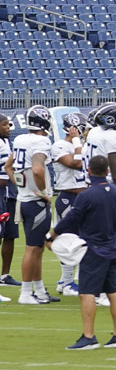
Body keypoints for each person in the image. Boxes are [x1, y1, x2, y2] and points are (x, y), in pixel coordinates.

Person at [49, 155, 116, 350]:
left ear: (88, 171)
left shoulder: (86, 195)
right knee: (113, 292)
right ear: (107, 171)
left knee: (87, 293)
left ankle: (89, 336)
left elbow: (72, 218)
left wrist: (53, 235)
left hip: (93, 249)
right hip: (112, 247)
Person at [9, 106, 56, 304]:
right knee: (32, 248)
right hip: (35, 202)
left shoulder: (20, 139)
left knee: (37, 248)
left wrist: (21, 185)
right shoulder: (41, 141)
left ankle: (39, 290)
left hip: (24, 199)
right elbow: (37, 170)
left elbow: (8, 166)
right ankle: (26, 293)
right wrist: (43, 193)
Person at [49, 113, 88, 296]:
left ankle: (70, 281)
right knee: (69, 241)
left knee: (83, 241)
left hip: (83, 198)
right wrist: (77, 143)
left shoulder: (84, 145)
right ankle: (66, 283)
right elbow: (76, 163)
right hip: (68, 197)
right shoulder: (60, 145)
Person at [0, 114, 19, 289]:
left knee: (10, 235)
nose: (8, 128)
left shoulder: (6, 142)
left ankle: (5, 275)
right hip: (1, 193)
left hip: (11, 194)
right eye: (5, 124)